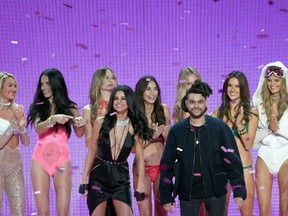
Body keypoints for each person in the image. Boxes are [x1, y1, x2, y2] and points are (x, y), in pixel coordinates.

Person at [160, 80, 246, 216]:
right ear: (186, 104)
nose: (196, 106)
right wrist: (166, 196)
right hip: (187, 191)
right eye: (192, 102)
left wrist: (239, 191)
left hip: (216, 190)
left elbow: (233, 160)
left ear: (206, 103)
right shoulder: (177, 131)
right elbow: (167, 164)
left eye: (200, 102)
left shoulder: (220, 128)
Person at [80, 85, 153, 216]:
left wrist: (141, 183)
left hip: (121, 179)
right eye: (116, 98)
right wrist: (84, 178)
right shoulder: (101, 122)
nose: (119, 102)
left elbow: (140, 157)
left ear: (129, 101)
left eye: (123, 98)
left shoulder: (134, 126)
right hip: (99, 177)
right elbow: (91, 151)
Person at [27, 68, 86, 215]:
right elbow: (38, 129)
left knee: (63, 212)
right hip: (40, 160)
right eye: (42, 84)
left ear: (56, 84)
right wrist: (51, 120)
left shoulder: (70, 107)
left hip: (62, 161)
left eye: (47, 83)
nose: (44, 87)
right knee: (43, 212)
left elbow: (79, 134)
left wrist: (81, 124)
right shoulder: (38, 106)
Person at [213, 71, 258, 215]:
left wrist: (239, 126)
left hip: (243, 168)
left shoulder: (251, 112)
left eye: (237, 86)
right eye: (230, 86)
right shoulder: (217, 113)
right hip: (222, 169)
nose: (232, 90)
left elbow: (248, 144)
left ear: (243, 89)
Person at [252, 61, 288, 216]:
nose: (272, 84)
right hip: (265, 154)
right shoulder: (258, 104)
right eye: (269, 80)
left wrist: (278, 129)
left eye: (277, 80)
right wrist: (268, 129)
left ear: (283, 81)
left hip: (286, 154)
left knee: (285, 206)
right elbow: (252, 140)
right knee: (264, 210)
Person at [134, 76, 171, 216]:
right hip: (141, 169)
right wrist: (152, 135)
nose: (152, 93)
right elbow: (132, 149)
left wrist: (167, 133)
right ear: (141, 92)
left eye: (155, 89)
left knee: (162, 213)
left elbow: (170, 142)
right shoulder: (135, 115)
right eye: (148, 89)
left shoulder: (163, 110)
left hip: (162, 168)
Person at [0, 72, 30, 215]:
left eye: (15, 86)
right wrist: (13, 125)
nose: (14, 89)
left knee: (19, 211)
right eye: (10, 85)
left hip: (14, 165)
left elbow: (26, 142)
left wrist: (22, 126)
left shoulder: (17, 110)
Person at [82, 67, 117, 148]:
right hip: (98, 157)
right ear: (98, 82)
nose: (110, 80)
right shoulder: (88, 110)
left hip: (120, 157)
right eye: (106, 78)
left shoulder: (121, 107)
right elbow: (89, 143)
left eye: (113, 78)